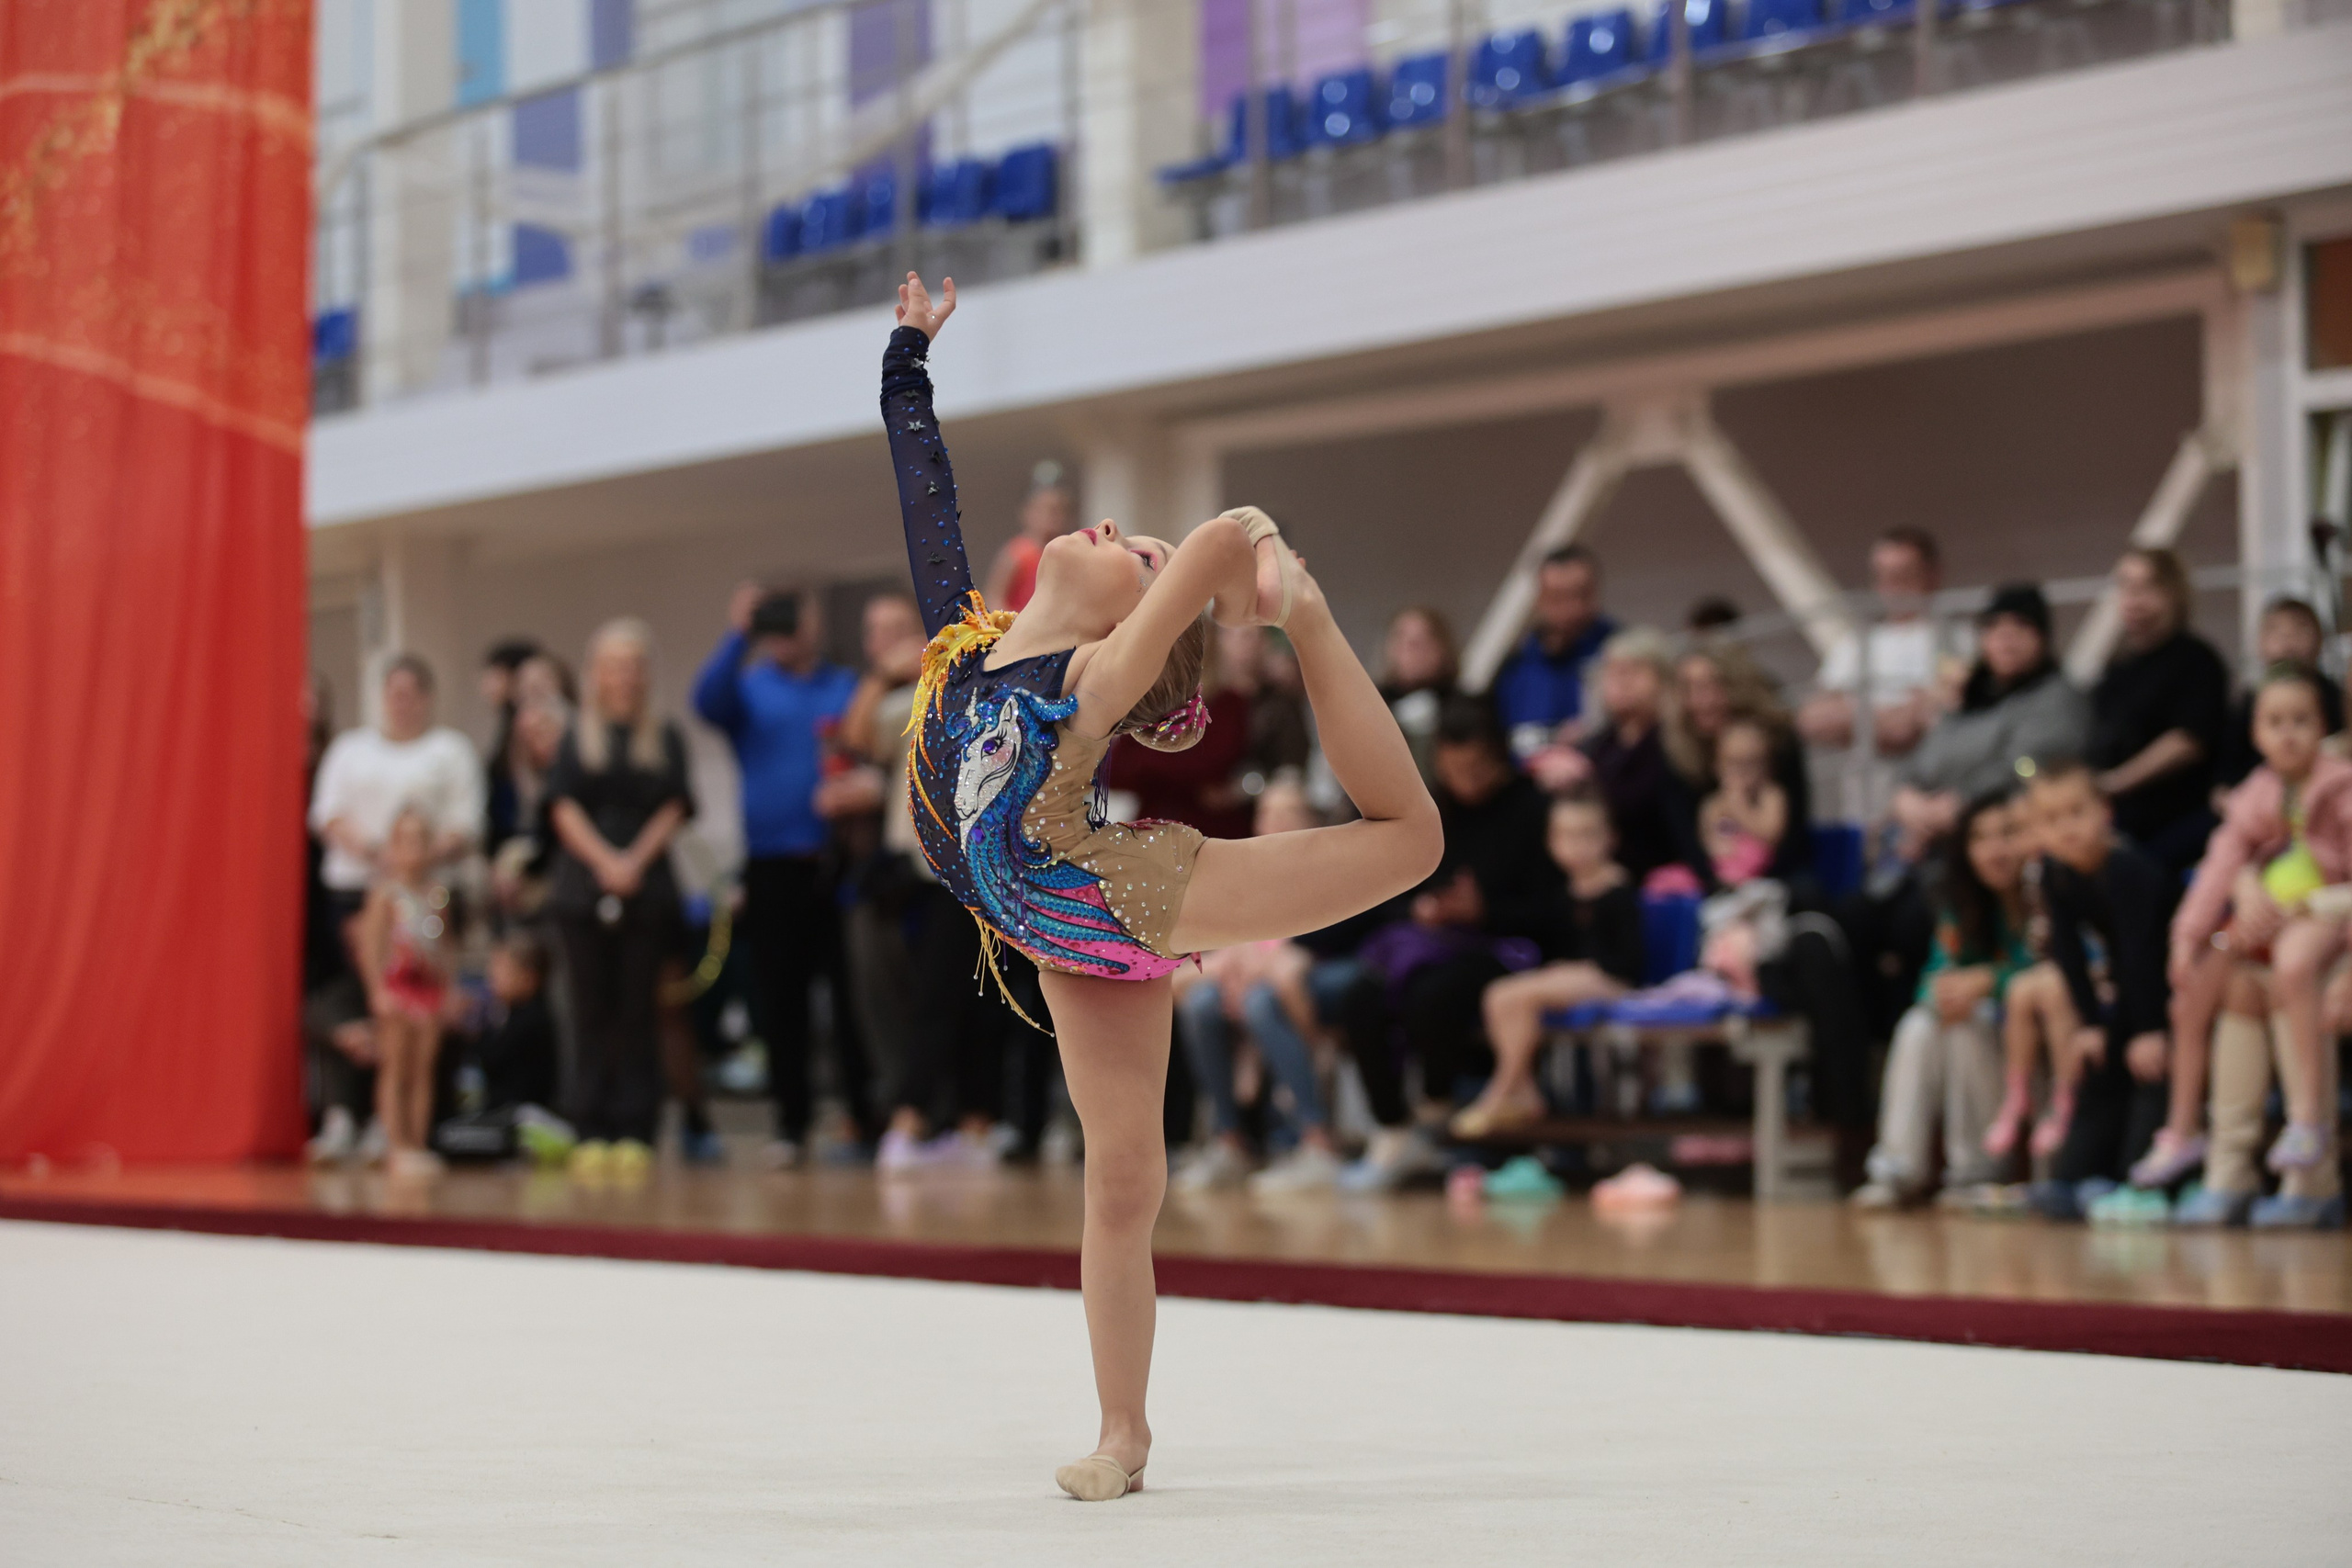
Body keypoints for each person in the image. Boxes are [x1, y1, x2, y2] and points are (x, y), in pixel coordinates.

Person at [883, 276, 1440, 1500]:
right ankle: (1123, 1432)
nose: (1114, 536)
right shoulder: (962, 642)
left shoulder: (1088, 683)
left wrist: (1246, 565)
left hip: (1118, 889)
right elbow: (923, 490)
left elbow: (1203, 555)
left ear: (1143, 609)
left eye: (1136, 551)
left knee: (1412, 841)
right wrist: (908, 354)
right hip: (1051, 930)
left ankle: (1323, 627)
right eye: (1120, 532)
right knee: (1124, 1176)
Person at [2142, 664, 2352, 1202]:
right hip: (2269, 923)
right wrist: (2185, 938)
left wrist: (2310, 904)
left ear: (2324, 725)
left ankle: (2309, 1125)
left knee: (2292, 961)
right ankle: (2190, 1134)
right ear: (2255, 732)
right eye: (2274, 721)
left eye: (2301, 720)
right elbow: (2218, 868)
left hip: (2327, 917)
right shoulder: (2254, 796)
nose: (2287, 733)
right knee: (2201, 983)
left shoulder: (2342, 787)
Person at [1340, 696, 1557, 1190]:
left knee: (1434, 995)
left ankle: (1436, 1113)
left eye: (1478, 767)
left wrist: (1486, 912)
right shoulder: (1431, 807)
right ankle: (1392, 1128)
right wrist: (1423, 908)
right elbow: (1397, 886)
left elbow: (1552, 909)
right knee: (1359, 997)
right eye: (1455, 768)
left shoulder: (1532, 806)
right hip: (1432, 942)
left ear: (1498, 756)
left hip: (1507, 946)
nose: (1468, 779)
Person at [694, 581, 867, 1166]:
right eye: (778, 619)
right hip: (770, 868)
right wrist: (737, 631)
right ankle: (791, 1125)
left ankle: (863, 1119)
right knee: (781, 1002)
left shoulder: (842, 687)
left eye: (797, 617)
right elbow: (704, 700)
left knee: (849, 999)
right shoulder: (748, 688)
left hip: (837, 863)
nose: (789, 628)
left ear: (814, 623)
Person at [548, 619, 695, 1182]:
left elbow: (675, 806)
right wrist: (604, 863)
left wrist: (633, 862)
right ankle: (589, 1125)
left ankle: (636, 1128)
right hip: (582, 892)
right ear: (596, 673)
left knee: (638, 1012)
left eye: (634, 665)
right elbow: (562, 808)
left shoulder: (665, 735)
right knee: (590, 1011)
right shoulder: (573, 736)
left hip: (647, 889)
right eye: (614, 665)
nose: (625, 677)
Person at [1850, 791, 2033, 1208]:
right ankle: (1896, 1169)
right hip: (1970, 1032)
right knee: (1920, 1024)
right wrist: (1946, 993)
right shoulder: (1961, 901)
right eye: (1980, 839)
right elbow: (1934, 975)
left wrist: (1991, 981)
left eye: (2007, 834)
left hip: (2028, 1045)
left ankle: (1978, 1171)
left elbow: (2056, 971)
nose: (1995, 850)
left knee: (1972, 1022)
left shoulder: (2044, 895)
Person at [1170, 779, 1348, 1193]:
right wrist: (1226, 968)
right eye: (1268, 812)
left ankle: (1317, 1140)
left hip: (1304, 976)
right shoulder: (1244, 870)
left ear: (1311, 821)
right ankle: (1229, 1139)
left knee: (1263, 1002)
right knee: (1201, 1003)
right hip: (1248, 978)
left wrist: (1258, 968)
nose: (1276, 822)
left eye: (1288, 812)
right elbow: (1219, 948)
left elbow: (1308, 950)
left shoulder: (1330, 868)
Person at [2022, 762, 2173, 1215]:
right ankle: (2076, 1177)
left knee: (2147, 1065)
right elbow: (2068, 955)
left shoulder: (2128, 869)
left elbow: (2142, 954)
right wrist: (2089, 1024)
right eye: (2050, 819)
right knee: (2096, 1058)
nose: (2065, 828)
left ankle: (2142, 1178)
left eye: (2076, 812)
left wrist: (2150, 1028)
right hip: (2123, 994)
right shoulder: (2055, 872)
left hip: (2167, 992)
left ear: (2104, 812)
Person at [1448, 791, 1645, 1137]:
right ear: (1552, 841)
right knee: (1498, 994)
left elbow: (1627, 961)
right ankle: (1524, 1089)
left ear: (1609, 837)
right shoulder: (1561, 894)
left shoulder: (1618, 891)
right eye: (1567, 835)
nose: (1577, 845)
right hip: (1569, 978)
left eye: (1587, 834)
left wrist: (1580, 969)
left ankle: (1496, 1095)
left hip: (1610, 982)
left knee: (1522, 995)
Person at [310, 655, 485, 928]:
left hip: (432, 889)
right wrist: (379, 854)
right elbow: (329, 813)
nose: (399, 704)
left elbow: (466, 820)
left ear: (426, 697)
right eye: (393, 694)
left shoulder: (451, 749)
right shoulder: (349, 749)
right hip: (358, 886)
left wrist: (414, 860)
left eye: (408, 695)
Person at [2088, 547, 2230, 873]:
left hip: (2181, 816)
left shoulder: (2196, 660)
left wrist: (2114, 782)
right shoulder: (2117, 668)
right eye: (2126, 587)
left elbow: (2187, 742)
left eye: (2147, 588)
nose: (2134, 600)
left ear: (2173, 593)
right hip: (2122, 818)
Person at [1800, 526, 1965, 759]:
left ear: (1933, 575)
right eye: (1883, 576)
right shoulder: (1855, 643)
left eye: (1903, 576)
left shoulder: (1960, 639)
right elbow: (1813, 719)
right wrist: (1895, 716)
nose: (1891, 587)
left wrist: (1853, 716)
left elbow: (1948, 707)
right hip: (1867, 788)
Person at [352, 807, 454, 1178]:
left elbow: (445, 945)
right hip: (397, 988)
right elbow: (372, 946)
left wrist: (448, 987)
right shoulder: (385, 894)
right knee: (396, 1066)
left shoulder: (438, 894)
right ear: (393, 847)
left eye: (420, 840)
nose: (414, 848)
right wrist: (377, 989)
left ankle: (417, 1141)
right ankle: (396, 1143)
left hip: (428, 990)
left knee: (422, 1069)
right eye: (405, 840)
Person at [1666, 640, 1813, 886]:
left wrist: (1757, 880)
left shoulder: (1779, 741)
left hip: (1777, 875)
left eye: (1711, 686)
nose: (1700, 700)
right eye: (1689, 688)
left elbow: (1790, 833)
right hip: (1716, 879)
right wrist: (1721, 879)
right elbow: (1692, 839)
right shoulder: (1677, 751)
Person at [1556, 628, 1687, 886]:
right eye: (1614, 671)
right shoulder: (1595, 745)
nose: (1622, 680)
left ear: (1663, 680)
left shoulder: (1677, 743)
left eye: (1635, 670)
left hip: (1661, 882)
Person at [1490, 545, 1615, 760]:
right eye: (1558, 597)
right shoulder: (1515, 667)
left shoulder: (1619, 653)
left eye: (1580, 594)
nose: (1571, 608)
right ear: (1539, 598)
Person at [2217, 598, 2342, 789]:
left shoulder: (2333, 695)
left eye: (2300, 628)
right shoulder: (2250, 699)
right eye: (2275, 630)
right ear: (2259, 643)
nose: (2288, 637)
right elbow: (2229, 758)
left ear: (2320, 639)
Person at [1377, 604, 1461, 787]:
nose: (1411, 646)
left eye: (1423, 639)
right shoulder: (1371, 705)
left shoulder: (1467, 710)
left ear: (1442, 648)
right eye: (1402, 637)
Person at [983, 459, 1078, 613]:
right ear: (1028, 512)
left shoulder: (1070, 553)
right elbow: (995, 596)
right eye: (1046, 510)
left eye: (1060, 511)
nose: (1053, 518)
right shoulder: (1018, 552)